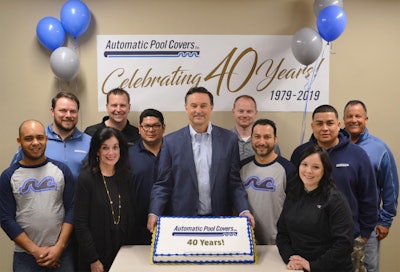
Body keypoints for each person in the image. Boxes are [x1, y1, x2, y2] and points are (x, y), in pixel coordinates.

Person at [147, 87, 255, 232]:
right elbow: (163, 184)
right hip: (183, 221)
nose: (198, 110)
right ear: (186, 108)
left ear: (211, 108)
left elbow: (234, 182)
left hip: (219, 220)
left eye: (203, 106)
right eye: (193, 106)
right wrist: (154, 212)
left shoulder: (229, 140)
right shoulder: (170, 142)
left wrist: (244, 210)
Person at [290, 104, 378, 272]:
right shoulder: (300, 154)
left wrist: (364, 234)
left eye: (330, 123)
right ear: (312, 126)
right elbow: (293, 194)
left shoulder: (357, 155)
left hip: (349, 239)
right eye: (319, 123)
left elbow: (369, 196)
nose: (324, 128)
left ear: (338, 125)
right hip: (310, 241)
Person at [0, 119, 75, 271]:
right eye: (28, 138)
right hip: (26, 257)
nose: (35, 142)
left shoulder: (61, 170)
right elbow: (6, 219)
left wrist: (59, 247)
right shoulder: (9, 176)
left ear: (46, 139)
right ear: (19, 141)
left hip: (61, 253)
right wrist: (36, 251)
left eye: (40, 137)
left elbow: (72, 209)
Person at [277, 145, 354, 272]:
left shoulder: (335, 199)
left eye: (316, 167)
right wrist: (291, 259)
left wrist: (312, 266)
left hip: (330, 268)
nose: (308, 171)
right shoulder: (293, 195)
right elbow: (282, 234)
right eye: (304, 164)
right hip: (298, 268)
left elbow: (344, 244)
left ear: (325, 170)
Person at [343, 100, 399, 272]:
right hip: (338, 225)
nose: (354, 120)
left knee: (368, 268)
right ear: (343, 120)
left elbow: (390, 187)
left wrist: (385, 221)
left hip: (368, 224)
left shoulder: (379, 148)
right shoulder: (334, 147)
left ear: (366, 119)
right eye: (349, 116)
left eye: (358, 116)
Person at [74, 127, 137, 272]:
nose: (111, 153)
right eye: (105, 148)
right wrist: (93, 259)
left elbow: (131, 215)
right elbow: (80, 224)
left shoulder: (126, 177)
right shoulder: (87, 179)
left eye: (115, 147)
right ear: (97, 151)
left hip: (122, 253)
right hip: (95, 258)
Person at [11, 91, 91, 181]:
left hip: (79, 195)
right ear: (52, 112)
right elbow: (14, 174)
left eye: (73, 111)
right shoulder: (36, 141)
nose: (68, 115)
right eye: (63, 110)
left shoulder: (89, 142)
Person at [240, 119, 295, 245]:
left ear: (275, 139)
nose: (261, 142)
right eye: (257, 137)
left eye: (267, 137)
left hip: (277, 243)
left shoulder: (288, 169)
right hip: (247, 242)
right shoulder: (241, 167)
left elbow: (294, 209)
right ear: (251, 139)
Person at [129, 108, 166, 245]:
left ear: (163, 128)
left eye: (156, 125)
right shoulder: (128, 155)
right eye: (146, 126)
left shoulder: (173, 152)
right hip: (137, 225)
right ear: (139, 128)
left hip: (169, 222)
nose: (151, 130)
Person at [231, 95, 281, 160]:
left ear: (256, 113)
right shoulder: (224, 141)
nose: (245, 115)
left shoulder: (269, 143)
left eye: (249, 111)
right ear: (233, 112)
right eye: (241, 111)